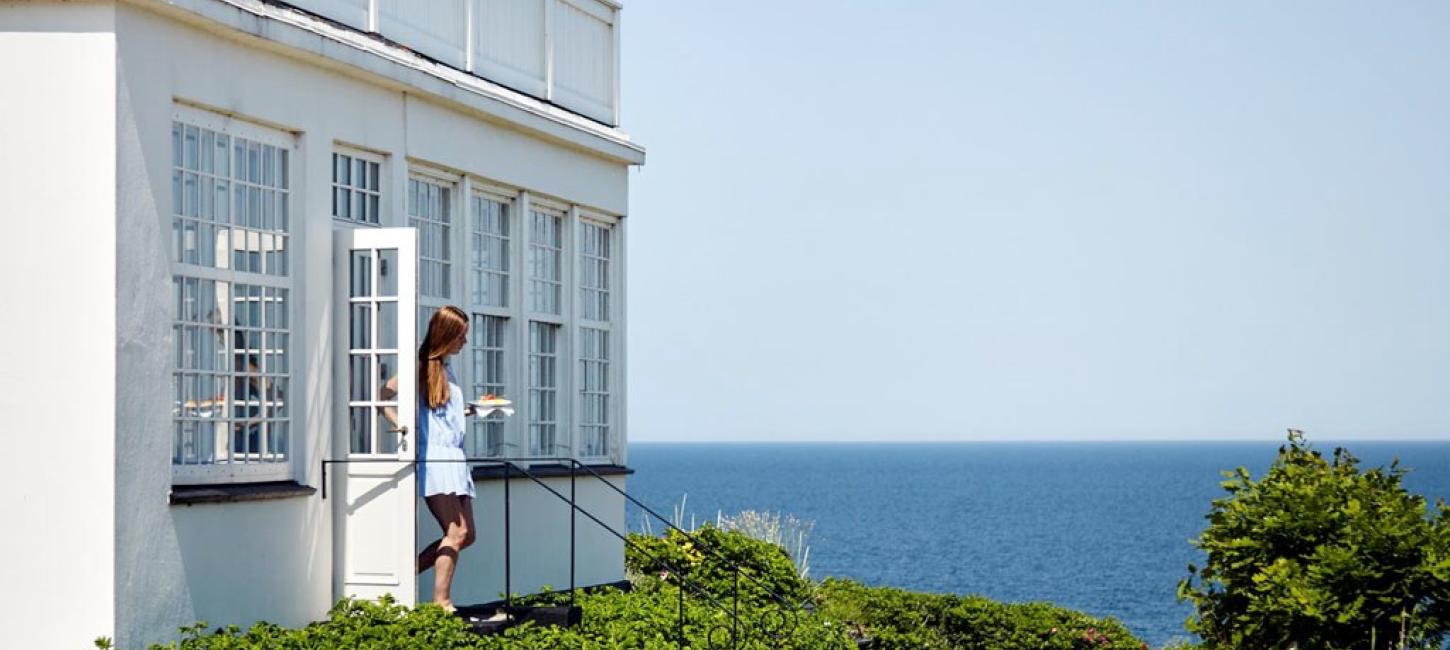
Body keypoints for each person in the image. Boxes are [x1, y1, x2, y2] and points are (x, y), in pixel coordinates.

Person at [385, 305, 479, 611]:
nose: (465, 342)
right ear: (448, 335)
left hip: (455, 458)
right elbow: (382, 396)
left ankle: (405, 571)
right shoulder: (420, 365)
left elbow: (440, 413)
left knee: (467, 535)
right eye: (461, 336)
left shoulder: (446, 367)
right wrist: (401, 426)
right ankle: (441, 601)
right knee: (456, 532)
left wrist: (470, 411)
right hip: (437, 459)